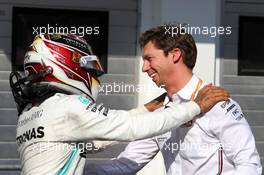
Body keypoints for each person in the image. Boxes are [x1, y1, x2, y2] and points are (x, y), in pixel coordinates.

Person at [10, 33, 229, 175]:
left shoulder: (33, 112)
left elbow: (94, 141)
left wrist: (143, 110)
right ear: (67, 64)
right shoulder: (67, 106)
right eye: (88, 68)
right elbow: (128, 128)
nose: (92, 76)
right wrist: (196, 106)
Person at [85, 25, 262, 175]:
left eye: (149, 58)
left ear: (175, 54)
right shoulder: (160, 110)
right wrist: (70, 168)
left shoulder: (217, 102)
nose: (144, 68)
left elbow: (250, 166)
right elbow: (123, 165)